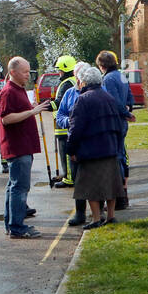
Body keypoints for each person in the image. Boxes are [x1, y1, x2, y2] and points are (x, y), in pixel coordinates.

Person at [66, 66, 127, 229]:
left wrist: (71, 149)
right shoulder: (109, 97)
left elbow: (75, 127)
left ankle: (96, 218)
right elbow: (118, 124)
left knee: (90, 186)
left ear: (84, 81)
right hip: (110, 147)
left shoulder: (83, 99)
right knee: (111, 184)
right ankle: (111, 216)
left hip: (90, 149)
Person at [0, 56, 53, 239]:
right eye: (24, 72)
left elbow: (17, 112)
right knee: (19, 187)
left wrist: (31, 107)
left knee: (14, 186)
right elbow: (6, 118)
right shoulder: (9, 91)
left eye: (28, 71)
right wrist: (32, 112)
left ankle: (12, 224)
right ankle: (16, 227)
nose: (27, 75)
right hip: (17, 147)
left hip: (23, 146)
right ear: (13, 72)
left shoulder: (18, 89)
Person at [96, 50, 135, 210]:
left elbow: (114, 101)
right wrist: (129, 109)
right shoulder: (120, 75)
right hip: (122, 121)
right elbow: (129, 96)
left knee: (116, 157)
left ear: (101, 65)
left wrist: (125, 113)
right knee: (122, 156)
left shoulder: (108, 79)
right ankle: (124, 196)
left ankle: (119, 198)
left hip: (115, 121)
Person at [55, 62, 89, 226]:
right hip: (74, 142)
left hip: (91, 142)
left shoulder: (96, 91)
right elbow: (60, 114)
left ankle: (99, 212)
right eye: (77, 74)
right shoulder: (69, 93)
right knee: (78, 179)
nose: (79, 77)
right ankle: (80, 213)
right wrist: (68, 122)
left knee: (95, 178)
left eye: (82, 74)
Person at [49, 55, 77, 189]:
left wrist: (47, 106)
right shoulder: (73, 81)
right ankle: (69, 175)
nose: (58, 72)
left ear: (65, 69)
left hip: (63, 126)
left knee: (66, 152)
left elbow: (59, 103)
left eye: (59, 70)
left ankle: (69, 178)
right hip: (68, 123)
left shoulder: (66, 84)